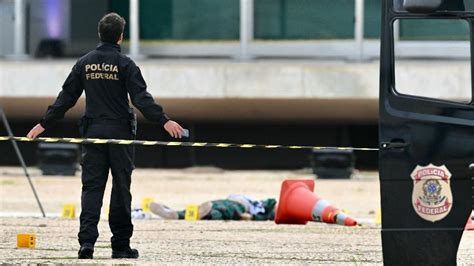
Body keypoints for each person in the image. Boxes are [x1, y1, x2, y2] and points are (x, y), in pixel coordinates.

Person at [26, 13, 185, 259]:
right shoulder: (126, 64)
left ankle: (86, 245)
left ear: (100, 34)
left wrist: (43, 124)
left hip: (93, 134)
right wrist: (164, 120)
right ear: (121, 36)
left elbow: (66, 98)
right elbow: (141, 99)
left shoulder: (84, 63)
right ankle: (120, 246)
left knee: (91, 189)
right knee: (121, 189)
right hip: (120, 135)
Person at [149, 194, 277, 221]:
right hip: (237, 204)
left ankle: (177, 214)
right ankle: (207, 213)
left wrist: (253, 217)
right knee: (224, 210)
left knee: (219, 210)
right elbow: (274, 206)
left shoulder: (267, 213)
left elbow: (269, 216)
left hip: (236, 204)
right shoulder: (269, 203)